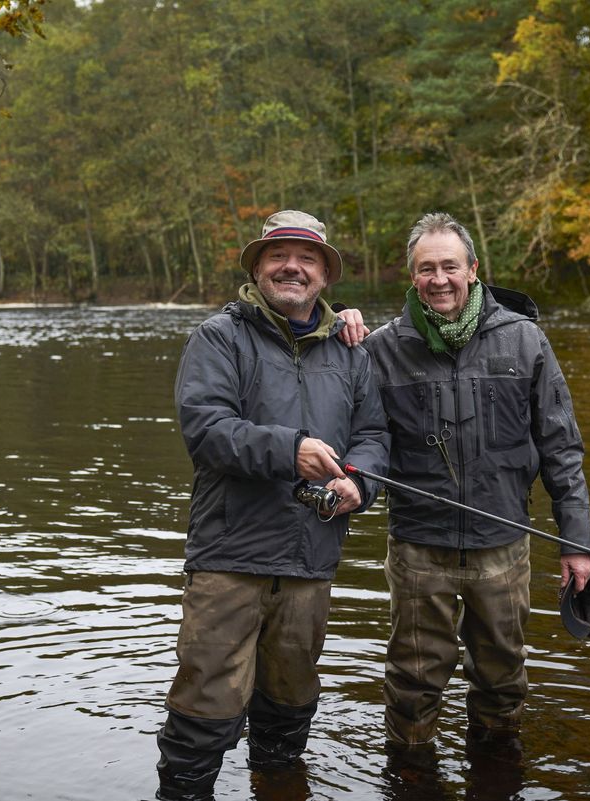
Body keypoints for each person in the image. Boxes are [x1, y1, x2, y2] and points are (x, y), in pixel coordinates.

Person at [157, 209, 390, 801]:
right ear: (258, 268)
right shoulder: (219, 336)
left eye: (307, 258)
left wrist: (360, 483)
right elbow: (206, 430)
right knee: (203, 711)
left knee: (289, 710)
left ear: (324, 275)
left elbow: (374, 435)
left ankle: (279, 785)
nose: (293, 267)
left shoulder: (352, 351)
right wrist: (291, 450)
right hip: (229, 557)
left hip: (312, 557)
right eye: (278, 256)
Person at [361, 211, 590, 750]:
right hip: (419, 547)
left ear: (473, 269)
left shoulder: (525, 341)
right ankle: (412, 775)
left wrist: (576, 544)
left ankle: (496, 770)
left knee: (502, 678)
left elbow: (562, 449)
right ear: (412, 277)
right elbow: (361, 440)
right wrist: (339, 321)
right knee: (411, 684)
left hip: (504, 546)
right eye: (426, 269)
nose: (438, 280)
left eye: (449, 266)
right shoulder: (379, 349)